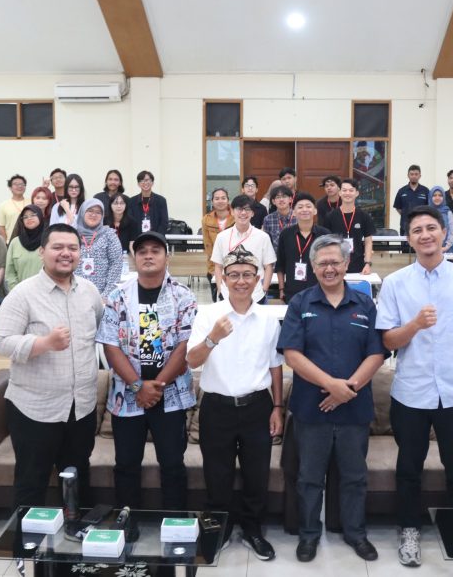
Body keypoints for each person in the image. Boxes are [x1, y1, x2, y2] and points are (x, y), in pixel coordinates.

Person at [376, 205, 453, 568]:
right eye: (416, 231)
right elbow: (388, 342)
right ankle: (409, 530)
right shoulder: (396, 283)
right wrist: (414, 325)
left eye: (431, 228)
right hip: (411, 392)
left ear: (444, 233)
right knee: (409, 467)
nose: (425, 235)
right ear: (408, 239)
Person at [279, 234, 385, 563]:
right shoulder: (301, 304)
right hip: (312, 409)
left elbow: (378, 353)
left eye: (335, 262)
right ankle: (309, 534)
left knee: (354, 476)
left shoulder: (365, 304)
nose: (329, 268)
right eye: (322, 263)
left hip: (354, 408)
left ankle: (355, 533)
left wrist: (348, 389)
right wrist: (331, 386)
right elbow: (292, 355)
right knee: (309, 477)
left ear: (346, 264)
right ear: (312, 267)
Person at [0, 224, 105, 509]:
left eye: (73, 248)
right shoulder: (22, 294)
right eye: (58, 247)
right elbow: (1, 342)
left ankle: (75, 533)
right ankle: (28, 547)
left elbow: (101, 331)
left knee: (76, 475)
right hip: (35, 409)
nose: (66, 253)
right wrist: (43, 343)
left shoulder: (90, 292)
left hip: (81, 408)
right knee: (32, 480)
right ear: (42, 252)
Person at [187, 246, 284, 560]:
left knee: (257, 475)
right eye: (233, 275)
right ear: (223, 279)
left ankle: (253, 529)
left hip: (257, 406)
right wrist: (213, 337)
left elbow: (275, 365)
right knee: (217, 475)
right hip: (217, 407)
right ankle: (220, 528)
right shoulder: (208, 314)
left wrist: (277, 407)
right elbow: (191, 360)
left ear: (257, 279)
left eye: (247, 275)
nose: (240, 281)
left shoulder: (267, 318)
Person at [96, 231, 197, 511]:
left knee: (173, 464)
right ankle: (128, 524)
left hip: (171, 394)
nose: (149, 255)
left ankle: (174, 523)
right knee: (126, 464)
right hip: (128, 395)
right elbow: (110, 345)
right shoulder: (117, 296)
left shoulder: (182, 296)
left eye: (156, 250)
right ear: (134, 258)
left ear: (167, 257)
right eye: (142, 252)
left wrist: (157, 385)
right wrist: (139, 386)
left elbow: (184, 346)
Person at [211, 194, 276, 303]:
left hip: (255, 296)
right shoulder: (222, 236)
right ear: (232, 211)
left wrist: (264, 289)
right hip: (228, 295)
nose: (243, 213)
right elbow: (218, 266)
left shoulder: (263, 237)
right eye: (239, 209)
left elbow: (268, 266)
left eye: (247, 209)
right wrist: (220, 288)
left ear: (252, 213)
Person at [276, 192, 330, 301]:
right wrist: (281, 289)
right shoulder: (286, 234)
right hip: (292, 292)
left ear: (315, 211)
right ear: (294, 212)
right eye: (300, 207)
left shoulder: (325, 234)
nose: (304, 210)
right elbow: (280, 265)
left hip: (320, 291)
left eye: (308, 206)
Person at [324, 178, 375, 275]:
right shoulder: (330, 216)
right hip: (336, 266)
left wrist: (367, 263)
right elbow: (326, 243)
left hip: (358, 266)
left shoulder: (364, 216)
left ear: (357, 193)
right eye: (344, 190)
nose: (347, 193)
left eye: (351, 190)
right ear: (339, 193)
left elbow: (368, 242)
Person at [75, 199, 125, 297]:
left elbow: (116, 265)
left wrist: (106, 295)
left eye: (98, 212)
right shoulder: (72, 235)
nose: (94, 215)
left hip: (101, 295)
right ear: (82, 212)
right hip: (75, 294)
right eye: (90, 211)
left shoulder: (109, 235)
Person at [5, 205, 45, 291]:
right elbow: (9, 272)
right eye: (25, 217)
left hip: (45, 294)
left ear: (40, 217)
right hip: (19, 294)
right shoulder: (15, 242)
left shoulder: (49, 240)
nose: (29, 218)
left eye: (33, 215)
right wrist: (17, 291)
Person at [201, 188, 231, 302]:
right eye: (217, 198)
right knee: (217, 300)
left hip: (234, 266)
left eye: (223, 198)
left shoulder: (236, 217)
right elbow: (208, 245)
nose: (220, 201)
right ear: (212, 201)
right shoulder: (206, 219)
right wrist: (214, 268)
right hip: (214, 266)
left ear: (228, 200)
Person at [392, 164, 429, 245]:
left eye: (416, 174)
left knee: (421, 252)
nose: (414, 176)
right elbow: (398, 208)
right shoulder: (402, 191)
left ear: (420, 176)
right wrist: (406, 215)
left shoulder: (425, 191)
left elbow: (428, 208)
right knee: (405, 253)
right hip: (405, 228)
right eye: (411, 174)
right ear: (408, 175)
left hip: (422, 228)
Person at [128, 170, 169, 234]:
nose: (145, 183)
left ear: (152, 182)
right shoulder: (132, 201)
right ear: (138, 184)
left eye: (147, 180)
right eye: (141, 180)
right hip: (138, 238)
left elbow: (164, 222)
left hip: (156, 238)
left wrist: (157, 237)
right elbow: (130, 222)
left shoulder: (161, 200)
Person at [262, 184, 295, 249]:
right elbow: (266, 242)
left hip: (295, 256)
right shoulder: (268, 219)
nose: (281, 199)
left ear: (290, 199)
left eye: (284, 196)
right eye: (278, 197)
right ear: (273, 201)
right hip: (275, 257)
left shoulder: (298, 217)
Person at [0, 174, 28, 239]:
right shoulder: (3, 205)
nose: (19, 186)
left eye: (22, 184)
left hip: (30, 240)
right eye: (16, 184)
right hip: (11, 242)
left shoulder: (31, 202)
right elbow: (1, 226)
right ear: (10, 188)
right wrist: (5, 243)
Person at [427, 186, 453, 252]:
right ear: (430, 197)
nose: (437, 198)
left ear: (444, 197)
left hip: (446, 250)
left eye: (440, 195)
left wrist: (445, 247)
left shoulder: (448, 212)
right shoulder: (426, 212)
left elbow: (452, 233)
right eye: (434, 195)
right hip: (428, 249)